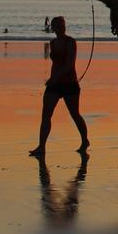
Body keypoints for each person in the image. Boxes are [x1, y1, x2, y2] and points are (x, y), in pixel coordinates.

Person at [29, 17, 89, 156]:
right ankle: (41, 146)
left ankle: (85, 141)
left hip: (69, 83)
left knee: (75, 115)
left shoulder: (71, 42)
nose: (61, 28)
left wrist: (54, 78)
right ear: (53, 27)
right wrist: (53, 79)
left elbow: (69, 64)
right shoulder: (53, 42)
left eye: (63, 25)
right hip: (54, 84)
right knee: (46, 115)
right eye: (58, 25)